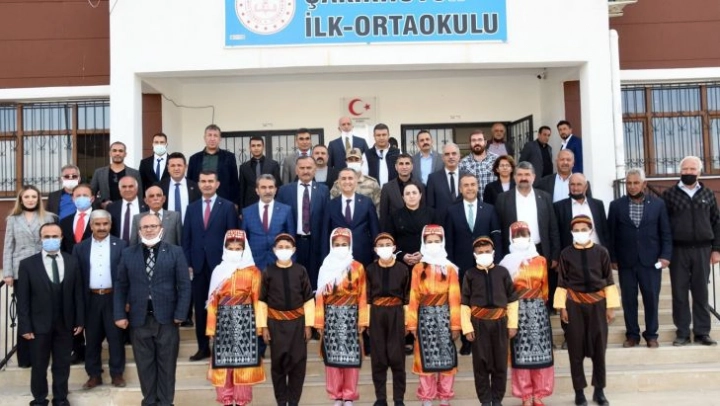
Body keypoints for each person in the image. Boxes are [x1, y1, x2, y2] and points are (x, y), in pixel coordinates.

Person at [114, 214, 192, 406]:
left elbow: (184, 285)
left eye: (153, 226)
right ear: (139, 231)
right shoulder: (128, 253)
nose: (149, 230)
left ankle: (166, 402)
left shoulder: (175, 252)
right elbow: (121, 285)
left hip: (167, 319)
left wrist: (181, 314)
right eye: (145, 227)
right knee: (144, 366)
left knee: (167, 366)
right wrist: (119, 314)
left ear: (161, 229)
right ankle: (149, 402)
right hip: (139, 319)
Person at [554, 215, 620, 406]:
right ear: (571, 232)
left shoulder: (601, 252)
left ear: (590, 231)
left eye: (584, 230)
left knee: (599, 349)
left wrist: (611, 307)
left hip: (598, 305)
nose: (580, 233)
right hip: (574, 304)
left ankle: (599, 391)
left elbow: (609, 280)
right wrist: (562, 308)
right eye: (576, 230)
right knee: (575, 350)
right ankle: (579, 392)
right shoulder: (566, 254)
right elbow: (562, 282)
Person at [18, 223, 84, 406]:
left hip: (65, 323)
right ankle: (39, 399)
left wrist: (80, 320)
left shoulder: (72, 261)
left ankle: (60, 399)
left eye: (55, 236)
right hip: (38, 325)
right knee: (39, 365)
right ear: (40, 239)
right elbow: (22, 299)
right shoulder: (27, 264)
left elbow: (78, 294)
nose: (51, 240)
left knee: (62, 365)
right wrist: (25, 326)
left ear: (61, 238)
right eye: (47, 237)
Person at [608, 168, 672, 348]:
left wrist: (665, 256)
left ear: (644, 184)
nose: (632, 186)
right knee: (629, 300)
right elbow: (611, 235)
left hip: (651, 262)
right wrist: (613, 258)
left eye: (636, 183)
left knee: (651, 299)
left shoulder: (658, 205)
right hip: (626, 262)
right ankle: (632, 335)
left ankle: (651, 335)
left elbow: (666, 232)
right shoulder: (616, 205)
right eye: (629, 183)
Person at [661, 155, 720, 346]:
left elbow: (716, 222)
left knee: (701, 293)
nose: (688, 172)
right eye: (685, 169)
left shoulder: (708, 194)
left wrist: (716, 249)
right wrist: (665, 252)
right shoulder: (669, 194)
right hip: (678, 251)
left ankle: (702, 332)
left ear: (699, 172)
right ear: (680, 171)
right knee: (679, 294)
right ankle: (683, 333)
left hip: (703, 250)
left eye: (692, 169)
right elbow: (664, 226)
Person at [182, 170, 240, 361]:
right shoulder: (191, 208)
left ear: (217, 184)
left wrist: (231, 264)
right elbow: (186, 239)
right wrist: (188, 263)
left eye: (210, 181)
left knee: (222, 307)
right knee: (200, 309)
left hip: (221, 267)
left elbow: (233, 237)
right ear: (198, 184)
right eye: (203, 181)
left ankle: (222, 346)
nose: (207, 184)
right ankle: (203, 347)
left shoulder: (228, 207)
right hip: (198, 267)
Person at [206, 230, 265, 406]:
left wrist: (260, 327)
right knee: (224, 364)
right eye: (230, 248)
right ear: (225, 249)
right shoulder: (218, 271)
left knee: (243, 365)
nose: (234, 251)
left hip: (246, 320)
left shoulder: (253, 272)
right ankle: (226, 400)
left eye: (238, 248)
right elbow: (212, 302)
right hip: (223, 321)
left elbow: (258, 301)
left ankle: (241, 401)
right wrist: (211, 328)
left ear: (244, 249)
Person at [499, 222, 554, 406]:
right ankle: (525, 396)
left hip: (538, 311)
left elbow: (545, 288)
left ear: (530, 237)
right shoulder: (506, 262)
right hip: (518, 310)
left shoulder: (540, 260)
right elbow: (505, 290)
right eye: (516, 235)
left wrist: (539, 306)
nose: (520, 238)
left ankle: (539, 394)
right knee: (520, 354)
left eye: (524, 234)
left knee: (541, 353)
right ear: (511, 238)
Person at [72, 210, 127, 389]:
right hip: (91, 299)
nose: (102, 227)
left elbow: (127, 276)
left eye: (105, 224)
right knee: (92, 339)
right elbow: (77, 278)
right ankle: (94, 375)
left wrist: (126, 301)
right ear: (91, 226)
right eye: (98, 224)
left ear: (110, 225)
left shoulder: (121, 245)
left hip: (113, 298)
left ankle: (117, 374)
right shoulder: (80, 248)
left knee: (115, 338)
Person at [406, 225, 461, 406]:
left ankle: (445, 396)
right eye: (429, 242)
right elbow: (413, 296)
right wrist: (412, 324)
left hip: (445, 317)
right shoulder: (418, 268)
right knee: (424, 358)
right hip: (424, 318)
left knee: (446, 357)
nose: (433, 244)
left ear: (442, 242)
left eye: (437, 241)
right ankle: (427, 397)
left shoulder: (450, 269)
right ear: (423, 243)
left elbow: (454, 298)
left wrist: (455, 325)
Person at [460, 236, 518, 406]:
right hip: (479, 323)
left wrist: (512, 324)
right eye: (480, 252)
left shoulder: (502, 273)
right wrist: (467, 327)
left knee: (500, 363)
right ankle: (485, 400)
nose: (484, 254)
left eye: (487, 251)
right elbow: (464, 303)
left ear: (493, 252)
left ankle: (497, 399)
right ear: (474, 254)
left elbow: (512, 300)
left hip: (500, 322)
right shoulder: (470, 274)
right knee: (481, 363)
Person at [258, 233, 315, 406]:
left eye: (287, 247)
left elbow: (308, 299)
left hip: (298, 325)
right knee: (278, 366)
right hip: (275, 325)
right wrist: (263, 327)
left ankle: (294, 401)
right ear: (274, 250)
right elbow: (262, 301)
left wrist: (308, 325)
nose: (284, 250)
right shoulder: (268, 272)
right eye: (280, 247)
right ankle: (282, 401)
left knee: (298, 365)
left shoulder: (301, 270)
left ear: (294, 249)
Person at [3, 185, 57, 368]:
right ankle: (25, 357)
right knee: (24, 311)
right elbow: (8, 246)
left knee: (43, 311)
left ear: (38, 198)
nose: (31, 200)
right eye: (27, 197)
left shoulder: (48, 218)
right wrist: (8, 273)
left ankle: (43, 353)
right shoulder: (12, 219)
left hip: (43, 267)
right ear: (21, 199)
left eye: (34, 196)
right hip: (20, 270)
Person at [315, 227, 369, 406]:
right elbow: (320, 297)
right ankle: (336, 395)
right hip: (331, 317)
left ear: (350, 245)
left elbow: (363, 295)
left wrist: (362, 320)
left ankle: (349, 395)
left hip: (351, 317)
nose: (340, 247)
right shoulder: (325, 267)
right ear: (331, 245)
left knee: (351, 359)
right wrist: (319, 321)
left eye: (344, 244)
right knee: (332, 360)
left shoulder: (357, 267)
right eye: (337, 244)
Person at [495, 162, 561, 309]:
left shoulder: (544, 197)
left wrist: (555, 255)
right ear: (514, 177)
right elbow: (498, 230)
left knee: (541, 290)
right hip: (513, 254)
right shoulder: (503, 199)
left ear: (534, 177)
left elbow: (553, 228)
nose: (523, 178)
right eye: (520, 174)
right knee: (515, 291)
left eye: (527, 174)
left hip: (539, 251)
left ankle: (542, 316)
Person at [365, 233, 410, 406]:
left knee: (397, 357)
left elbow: (407, 297)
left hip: (396, 313)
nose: (384, 248)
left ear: (394, 247)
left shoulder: (402, 269)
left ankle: (399, 398)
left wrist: (407, 321)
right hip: (376, 314)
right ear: (375, 249)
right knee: (378, 358)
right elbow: (367, 297)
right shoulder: (370, 269)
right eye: (381, 245)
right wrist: (367, 321)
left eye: (388, 244)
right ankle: (381, 398)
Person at [276, 155, 330, 290]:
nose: (305, 171)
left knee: (313, 283)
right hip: (293, 243)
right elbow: (280, 220)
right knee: (293, 281)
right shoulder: (284, 191)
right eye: (302, 168)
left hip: (315, 244)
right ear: (296, 170)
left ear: (315, 169)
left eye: (309, 168)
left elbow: (326, 221)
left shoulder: (324, 190)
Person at [324, 167, 380, 266]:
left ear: (356, 181)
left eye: (350, 178)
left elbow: (374, 230)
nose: (347, 181)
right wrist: (325, 257)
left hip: (363, 255)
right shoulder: (330, 205)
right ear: (338, 182)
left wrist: (377, 256)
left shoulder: (367, 202)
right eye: (343, 178)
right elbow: (325, 233)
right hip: (338, 258)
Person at [241, 174, 295, 271]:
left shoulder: (286, 210)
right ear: (257, 190)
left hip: (279, 263)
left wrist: (291, 263)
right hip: (254, 264)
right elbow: (244, 241)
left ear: (275, 190)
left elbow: (291, 239)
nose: (267, 191)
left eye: (271, 187)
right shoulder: (247, 212)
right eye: (263, 187)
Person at [187, 124, 241, 205]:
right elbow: (190, 183)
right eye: (209, 135)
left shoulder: (229, 157)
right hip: (199, 201)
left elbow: (234, 183)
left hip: (223, 201)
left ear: (220, 139)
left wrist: (235, 203)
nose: (212, 139)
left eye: (215, 135)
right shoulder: (194, 159)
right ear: (204, 138)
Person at [554, 173, 609, 249]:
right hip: (571, 253)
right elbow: (556, 235)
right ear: (568, 186)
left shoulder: (598, 205)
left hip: (597, 251)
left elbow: (605, 231)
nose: (575, 188)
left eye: (579, 184)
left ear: (586, 187)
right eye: (572, 184)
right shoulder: (559, 207)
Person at [90, 141, 143, 209]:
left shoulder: (134, 173)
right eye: (114, 151)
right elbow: (91, 194)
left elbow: (139, 195)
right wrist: (101, 203)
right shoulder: (99, 173)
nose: (117, 153)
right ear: (110, 153)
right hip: (106, 211)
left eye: (120, 151)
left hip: (128, 211)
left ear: (125, 154)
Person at [379, 153, 423, 231]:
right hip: (395, 231)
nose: (404, 167)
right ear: (396, 167)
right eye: (401, 164)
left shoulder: (421, 186)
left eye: (407, 163)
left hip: (416, 230)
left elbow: (424, 211)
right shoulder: (387, 188)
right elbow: (383, 214)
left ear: (412, 166)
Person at [238, 136, 282, 209]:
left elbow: (278, 186)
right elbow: (241, 190)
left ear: (263, 147)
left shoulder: (273, 165)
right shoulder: (244, 167)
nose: (256, 148)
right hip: (250, 205)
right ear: (249, 148)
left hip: (270, 204)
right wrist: (241, 210)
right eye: (253, 146)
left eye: (258, 145)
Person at [159, 152, 202, 225]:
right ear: (168, 168)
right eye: (173, 166)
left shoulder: (196, 187)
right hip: (166, 228)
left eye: (179, 165)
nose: (176, 168)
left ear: (185, 167)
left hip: (189, 227)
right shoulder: (159, 186)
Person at [426, 143, 462, 224]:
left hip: (463, 224)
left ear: (459, 156)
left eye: (454, 153)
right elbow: (430, 206)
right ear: (442, 158)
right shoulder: (433, 178)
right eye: (447, 154)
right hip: (441, 224)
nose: (451, 157)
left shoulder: (467, 177)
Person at [458, 130, 498, 200]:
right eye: (473, 140)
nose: (477, 143)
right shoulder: (463, 163)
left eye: (480, 140)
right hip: (473, 204)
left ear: (485, 142)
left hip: (493, 203)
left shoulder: (496, 160)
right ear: (470, 143)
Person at [107, 176, 148, 243]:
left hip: (141, 246)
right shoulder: (111, 207)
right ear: (119, 189)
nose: (127, 189)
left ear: (137, 188)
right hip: (118, 246)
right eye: (124, 187)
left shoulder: (147, 206)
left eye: (131, 186)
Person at [59, 184, 94, 255]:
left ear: (92, 199)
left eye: (85, 195)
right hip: (71, 260)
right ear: (73, 199)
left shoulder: (100, 219)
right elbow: (63, 246)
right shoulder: (65, 222)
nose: (81, 198)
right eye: (78, 196)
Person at [363, 123, 399, 187]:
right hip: (373, 191)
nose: (381, 138)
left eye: (384, 135)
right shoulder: (367, 155)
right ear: (374, 136)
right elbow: (364, 176)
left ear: (388, 135)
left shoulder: (397, 153)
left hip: (393, 191)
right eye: (378, 135)